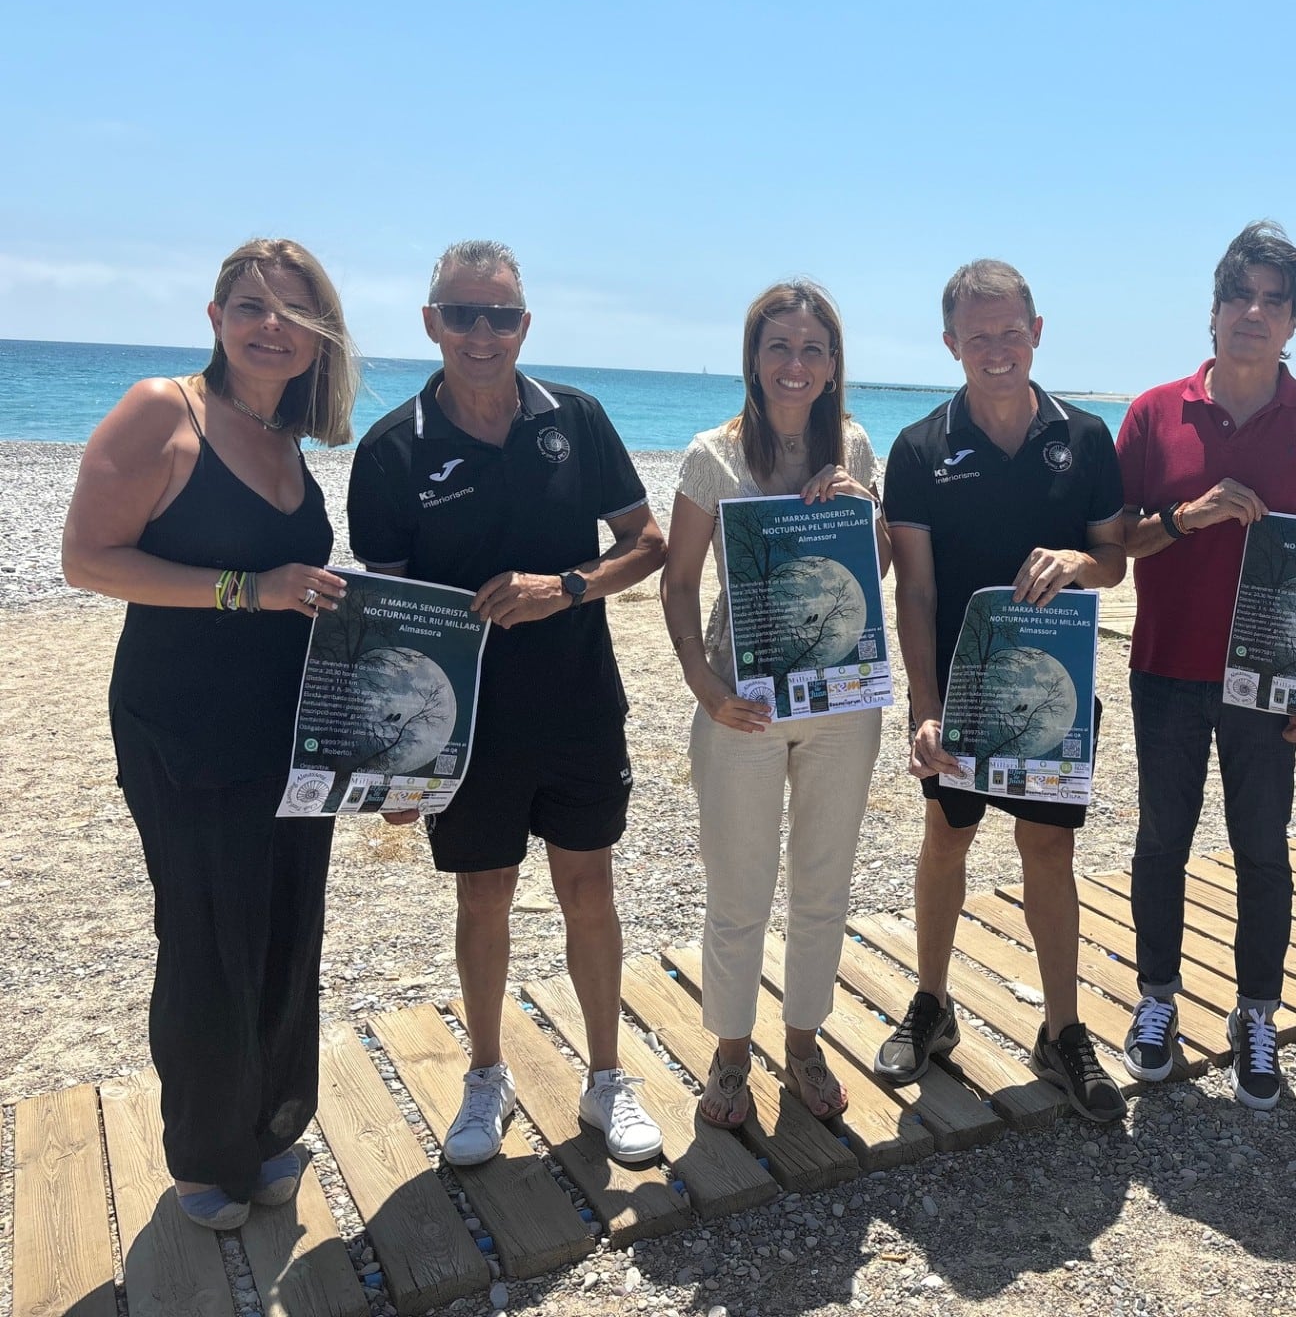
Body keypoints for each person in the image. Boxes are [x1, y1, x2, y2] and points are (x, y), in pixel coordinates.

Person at [347, 240, 667, 1166]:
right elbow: (386, 620)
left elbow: (648, 545)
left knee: (588, 887)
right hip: (463, 724)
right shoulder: (391, 449)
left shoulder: (579, 418)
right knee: (484, 895)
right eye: (461, 313)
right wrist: (389, 760)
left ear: (525, 326)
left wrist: (564, 585)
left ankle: (608, 1078)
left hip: (576, 702)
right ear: (430, 321)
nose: (480, 334)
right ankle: (485, 1077)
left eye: (499, 316)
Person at [62, 239, 360, 1229]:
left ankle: (268, 1127)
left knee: (285, 920)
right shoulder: (164, 409)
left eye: (294, 312)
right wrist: (250, 590)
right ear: (216, 317)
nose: (272, 327)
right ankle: (203, 1153)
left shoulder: (287, 440)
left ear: (320, 336)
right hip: (182, 719)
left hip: (293, 724)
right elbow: (86, 560)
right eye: (252, 307)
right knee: (204, 932)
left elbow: (290, 586)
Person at [1114, 221, 1296, 1109]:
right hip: (1169, 667)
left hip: (1274, 681)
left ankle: (1256, 1015)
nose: (1254, 312)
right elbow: (1114, 548)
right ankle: (1155, 1002)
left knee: (1262, 849)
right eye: (1240, 296)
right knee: (1161, 842)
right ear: (1213, 310)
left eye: (1274, 300)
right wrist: (1190, 515)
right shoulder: (1153, 413)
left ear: (1294, 321)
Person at [873, 259, 1129, 1122]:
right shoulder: (917, 448)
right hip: (958, 691)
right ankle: (933, 1004)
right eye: (977, 335)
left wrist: (1079, 562)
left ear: (1037, 332)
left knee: (1048, 853)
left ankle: (1062, 1030)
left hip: (1058, 686)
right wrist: (923, 705)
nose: (996, 349)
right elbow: (915, 590)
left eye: (1010, 331)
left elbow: (1115, 562)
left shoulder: (1087, 438)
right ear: (951, 343)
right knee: (947, 840)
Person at [660, 281, 890, 1128]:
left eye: (813, 350)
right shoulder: (710, 457)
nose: (796, 365)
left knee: (824, 883)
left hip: (842, 698)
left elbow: (877, 576)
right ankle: (727, 1054)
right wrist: (703, 685)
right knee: (739, 889)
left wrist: (867, 520)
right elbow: (678, 582)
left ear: (833, 367)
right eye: (779, 348)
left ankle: (801, 1040)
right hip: (742, 700)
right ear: (753, 359)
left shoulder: (858, 448)